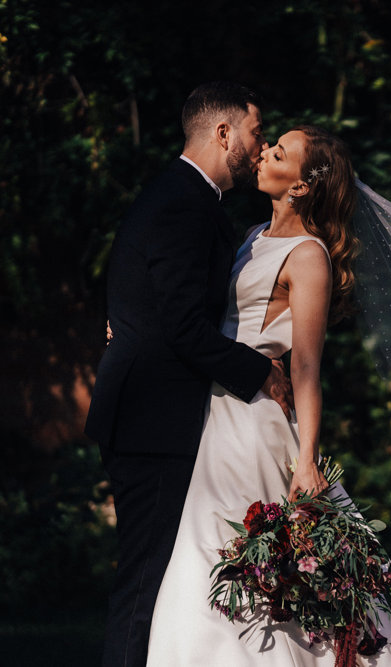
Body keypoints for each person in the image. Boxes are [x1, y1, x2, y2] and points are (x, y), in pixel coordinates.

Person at [145, 125, 391, 666]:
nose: (265, 151)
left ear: (301, 186)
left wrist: (307, 461)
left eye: (280, 151)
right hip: (216, 414)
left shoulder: (308, 256)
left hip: (255, 426)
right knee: (208, 559)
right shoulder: (249, 237)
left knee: (246, 562)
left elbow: (308, 366)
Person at [86, 81, 293, 667]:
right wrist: (262, 372)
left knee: (157, 583)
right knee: (144, 588)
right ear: (223, 133)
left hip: (153, 416)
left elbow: (142, 293)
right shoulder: (183, 202)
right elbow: (183, 328)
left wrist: (124, 326)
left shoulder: (179, 195)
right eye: (256, 132)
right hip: (152, 423)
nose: (260, 146)